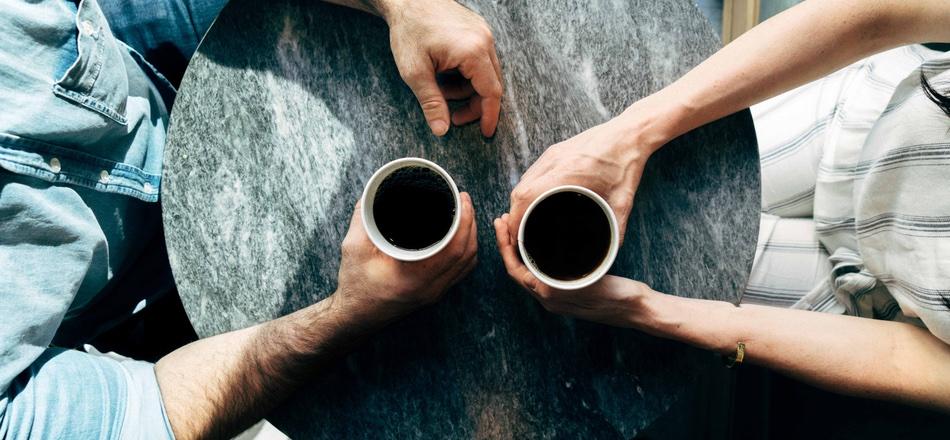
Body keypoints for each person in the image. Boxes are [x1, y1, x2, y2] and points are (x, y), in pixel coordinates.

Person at [0, 0, 500, 438]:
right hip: (132, 295)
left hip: (119, 50)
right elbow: (134, 416)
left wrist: (402, 4)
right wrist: (347, 315)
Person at [498, 0, 950, 411]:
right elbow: (877, 14)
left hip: (882, 305)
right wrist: (630, 136)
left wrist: (647, 309)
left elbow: (913, 364)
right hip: (863, 124)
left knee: (665, 275)